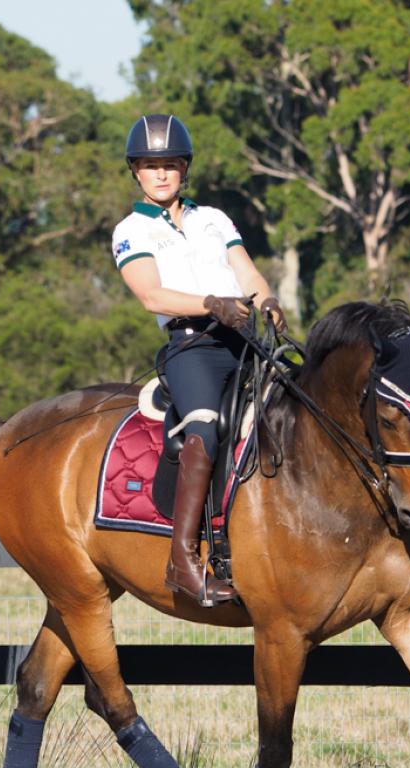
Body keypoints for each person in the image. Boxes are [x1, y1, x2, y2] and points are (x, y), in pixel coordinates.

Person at [112, 114, 284, 607]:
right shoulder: (130, 231)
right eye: (150, 166)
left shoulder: (213, 219)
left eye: (170, 165)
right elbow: (152, 295)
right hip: (193, 347)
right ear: (136, 172)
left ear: (184, 168)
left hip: (245, 339)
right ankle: (184, 562)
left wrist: (266, 300)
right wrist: (211, 303)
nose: (161, 174)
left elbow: (246, 271)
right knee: (204, 428)